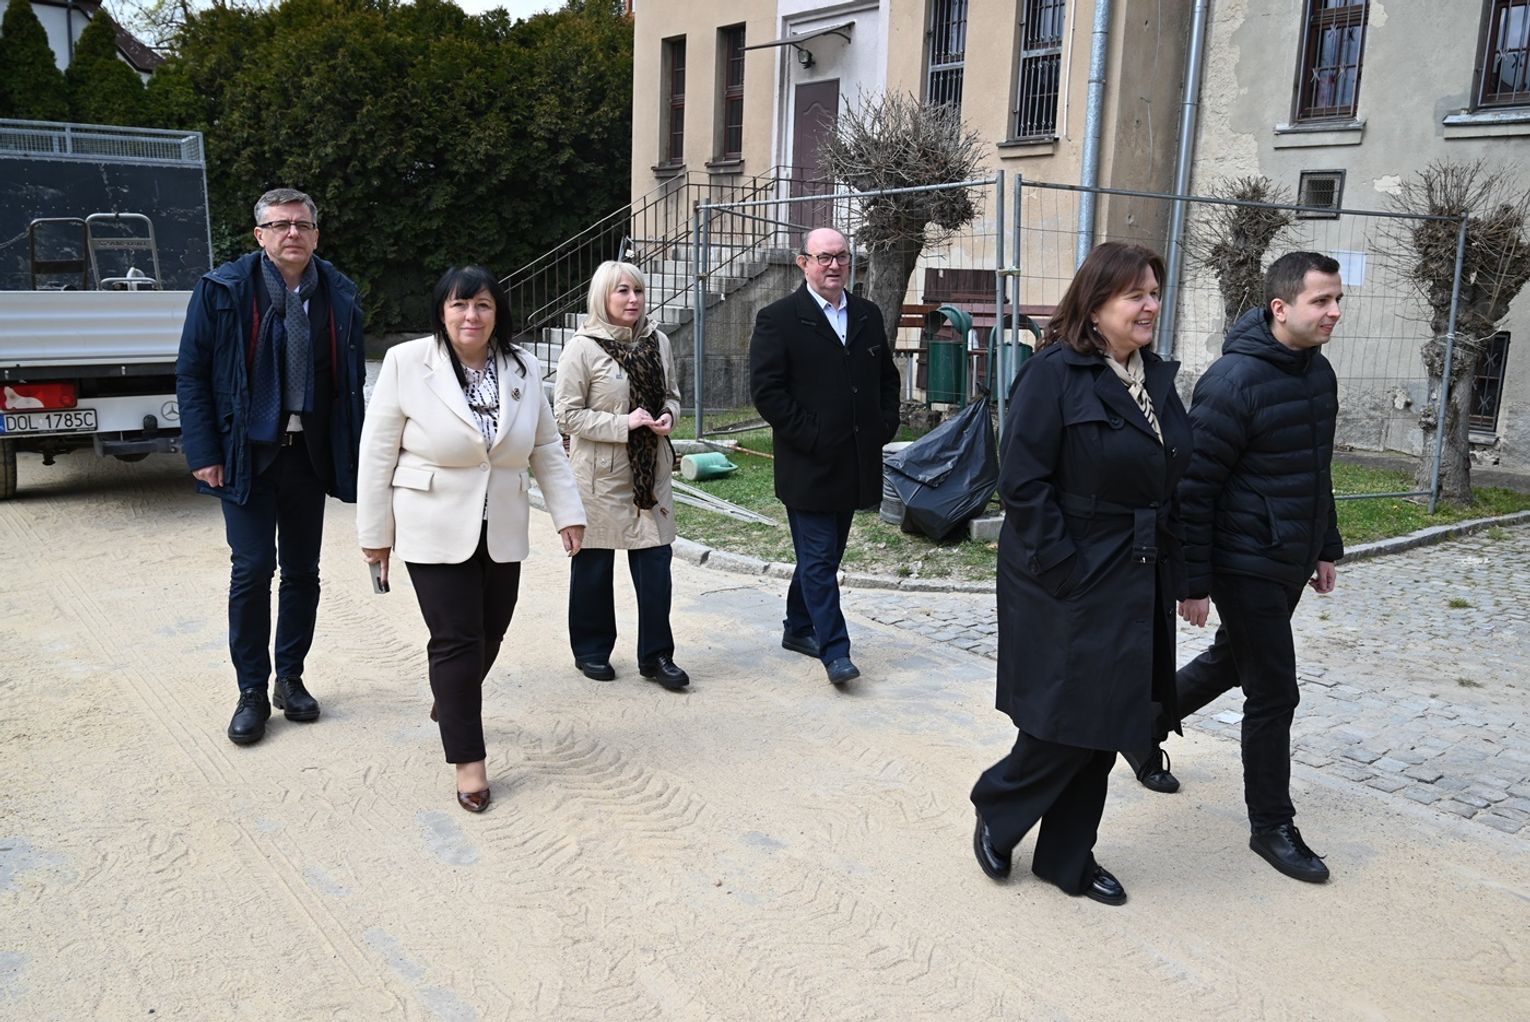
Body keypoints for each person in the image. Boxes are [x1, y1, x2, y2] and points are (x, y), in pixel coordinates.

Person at [970, 242, 1191, 907]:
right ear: (1095, 306)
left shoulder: (1152, 377)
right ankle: (1000, 803)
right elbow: (1022, 483)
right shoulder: (1053, 374)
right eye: (1135, 295)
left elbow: (1169, 476)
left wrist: (1182, 568)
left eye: (1154, 293)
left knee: (1108, 715)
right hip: (1063, 571)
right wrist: (1065, 569)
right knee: (1067, 715)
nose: (1150, 306)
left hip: (1135, 568)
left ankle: (1066, 858)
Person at [1130, 251, 1344, 885]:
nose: (1334, 312)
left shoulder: (1319, 372)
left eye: (1338, 300)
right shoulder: (1233, 381)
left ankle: (1140, 726)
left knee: (1232, 661)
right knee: (1274, 691)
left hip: (1288, 555)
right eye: (1321, 301)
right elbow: (1193, 489)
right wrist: (1194, 582)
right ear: (1281, 308)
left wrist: (1325, 545)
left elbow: (1316, 469)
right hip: (1243, 561)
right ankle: (1271, 825)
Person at [356, 266, 586, 813]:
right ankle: (469, 762)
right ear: (442, 312)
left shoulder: (522, 366)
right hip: (431, 520)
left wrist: (567, 513)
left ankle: (450, 696)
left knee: (491, 633)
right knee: (456, 640)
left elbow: (546, 446)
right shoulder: (407, 362)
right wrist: (375, 536)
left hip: (501, 522)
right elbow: (377, 451)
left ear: (496, 312)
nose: (471, 316)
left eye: (482, 305)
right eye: (459, 305)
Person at [176, 188, 367, 747]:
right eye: (280, 225)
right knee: (253, 569)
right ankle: (251, 691)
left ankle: (290, 679)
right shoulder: (222, 289)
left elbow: (350, 381)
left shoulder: (338, 293)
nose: (292, 233)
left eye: (302, 224)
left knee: (303, 571)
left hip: (308, 454)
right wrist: (204, 452)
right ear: (260, 235)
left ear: (316, 234)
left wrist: (356, 453)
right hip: (246, 453)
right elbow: (192, 373)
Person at [748, 227, 900, 685]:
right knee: (818, 558)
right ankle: (835, 651)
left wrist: (884, 425)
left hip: (854, 461)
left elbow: (886, 378)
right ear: (803, 263)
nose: (834, 265)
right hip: (808, 463)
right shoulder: (778, 318)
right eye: (824, 258)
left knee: (825, 556)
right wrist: (811, 435)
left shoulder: (867, 314)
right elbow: (767, 392)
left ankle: (798, 627)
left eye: (841, 257)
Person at [554, 261, 689, 691]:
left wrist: (668, 416)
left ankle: (657, 656)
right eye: (623, 291)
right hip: (601, 478)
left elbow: (672, 395)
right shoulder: (582, 348)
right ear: (603, 297)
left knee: (656, 567)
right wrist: (623, 423)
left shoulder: (657, 341)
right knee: (594, 567)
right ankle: (591, 650)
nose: (633, 299)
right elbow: (566, 414)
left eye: (638, 291)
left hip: (651, 473)